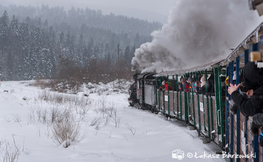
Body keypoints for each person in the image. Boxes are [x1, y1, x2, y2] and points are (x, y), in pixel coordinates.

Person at [227, 62, 263, 135]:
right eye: (243, 89)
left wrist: (234, 94)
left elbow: (248, 108)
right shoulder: (259, 89)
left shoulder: (260, 92)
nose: (245, 92)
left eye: (246, 89)